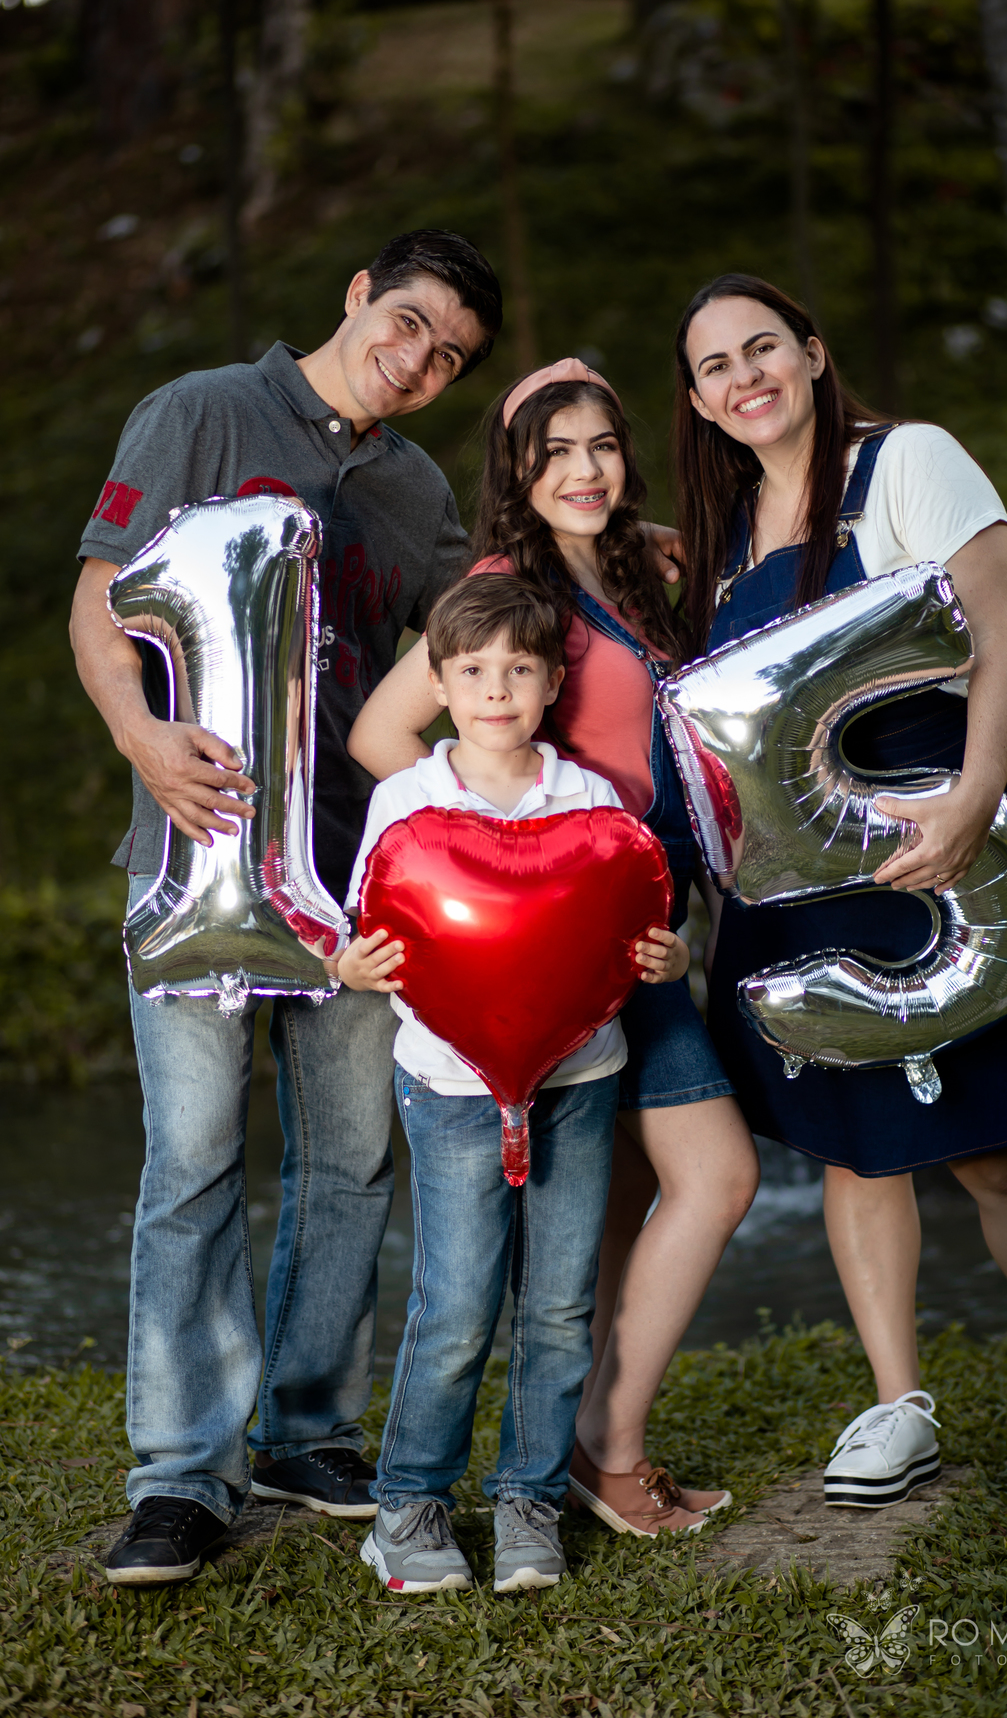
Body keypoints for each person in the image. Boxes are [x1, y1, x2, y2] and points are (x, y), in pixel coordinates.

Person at [673, 272, 1007, 1505]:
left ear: (813, 351)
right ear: (700, 400)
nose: (745, 377)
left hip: (950, 831)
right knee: (859, 1151)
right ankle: (899, 1405)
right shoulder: (725, 537)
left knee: (1001, 1147)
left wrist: (971, 804)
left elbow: (998, 645)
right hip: (809, 876)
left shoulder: (909, 463)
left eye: (763, 347)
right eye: (717, 366)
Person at [69, 229, 506, 1586]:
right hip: (198, 857)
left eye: (451, 356)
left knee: (351, 1158)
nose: (419, 361)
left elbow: (469, 650)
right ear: (358, 293)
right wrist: (142, 738)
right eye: (411, 322)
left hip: (354, 878)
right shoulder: (201, 414)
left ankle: (309, 1431)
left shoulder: (416, 486)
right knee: (194, 1159)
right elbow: (98, 604)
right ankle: (180, 1476)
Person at [347, 358, 761, 1537]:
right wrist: (506, 867)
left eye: (603, 446)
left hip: (651, 923)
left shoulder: (629, 571)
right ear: (515, 472)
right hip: (570, 931)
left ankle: (575, 1445)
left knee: (624, 1197)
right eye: (555, 452)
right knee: (717, 1175)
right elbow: (384, 735)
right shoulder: (506, 587)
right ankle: (600, 1452)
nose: (584, 470)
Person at [339, 574, 691, 1593]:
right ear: (440, 683)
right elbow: (373, 927)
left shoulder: (589, 799)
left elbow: (631, 927)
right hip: (450, 1088)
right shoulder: (408, 801)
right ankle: (408, 1507)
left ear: (550, 686)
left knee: (558, 1305)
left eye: (520, 670)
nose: (496, 690)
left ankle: (529, 1500)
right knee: (455, 1305)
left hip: (578, 1079)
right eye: (473, 670)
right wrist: (349, 966)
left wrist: (665, 959)